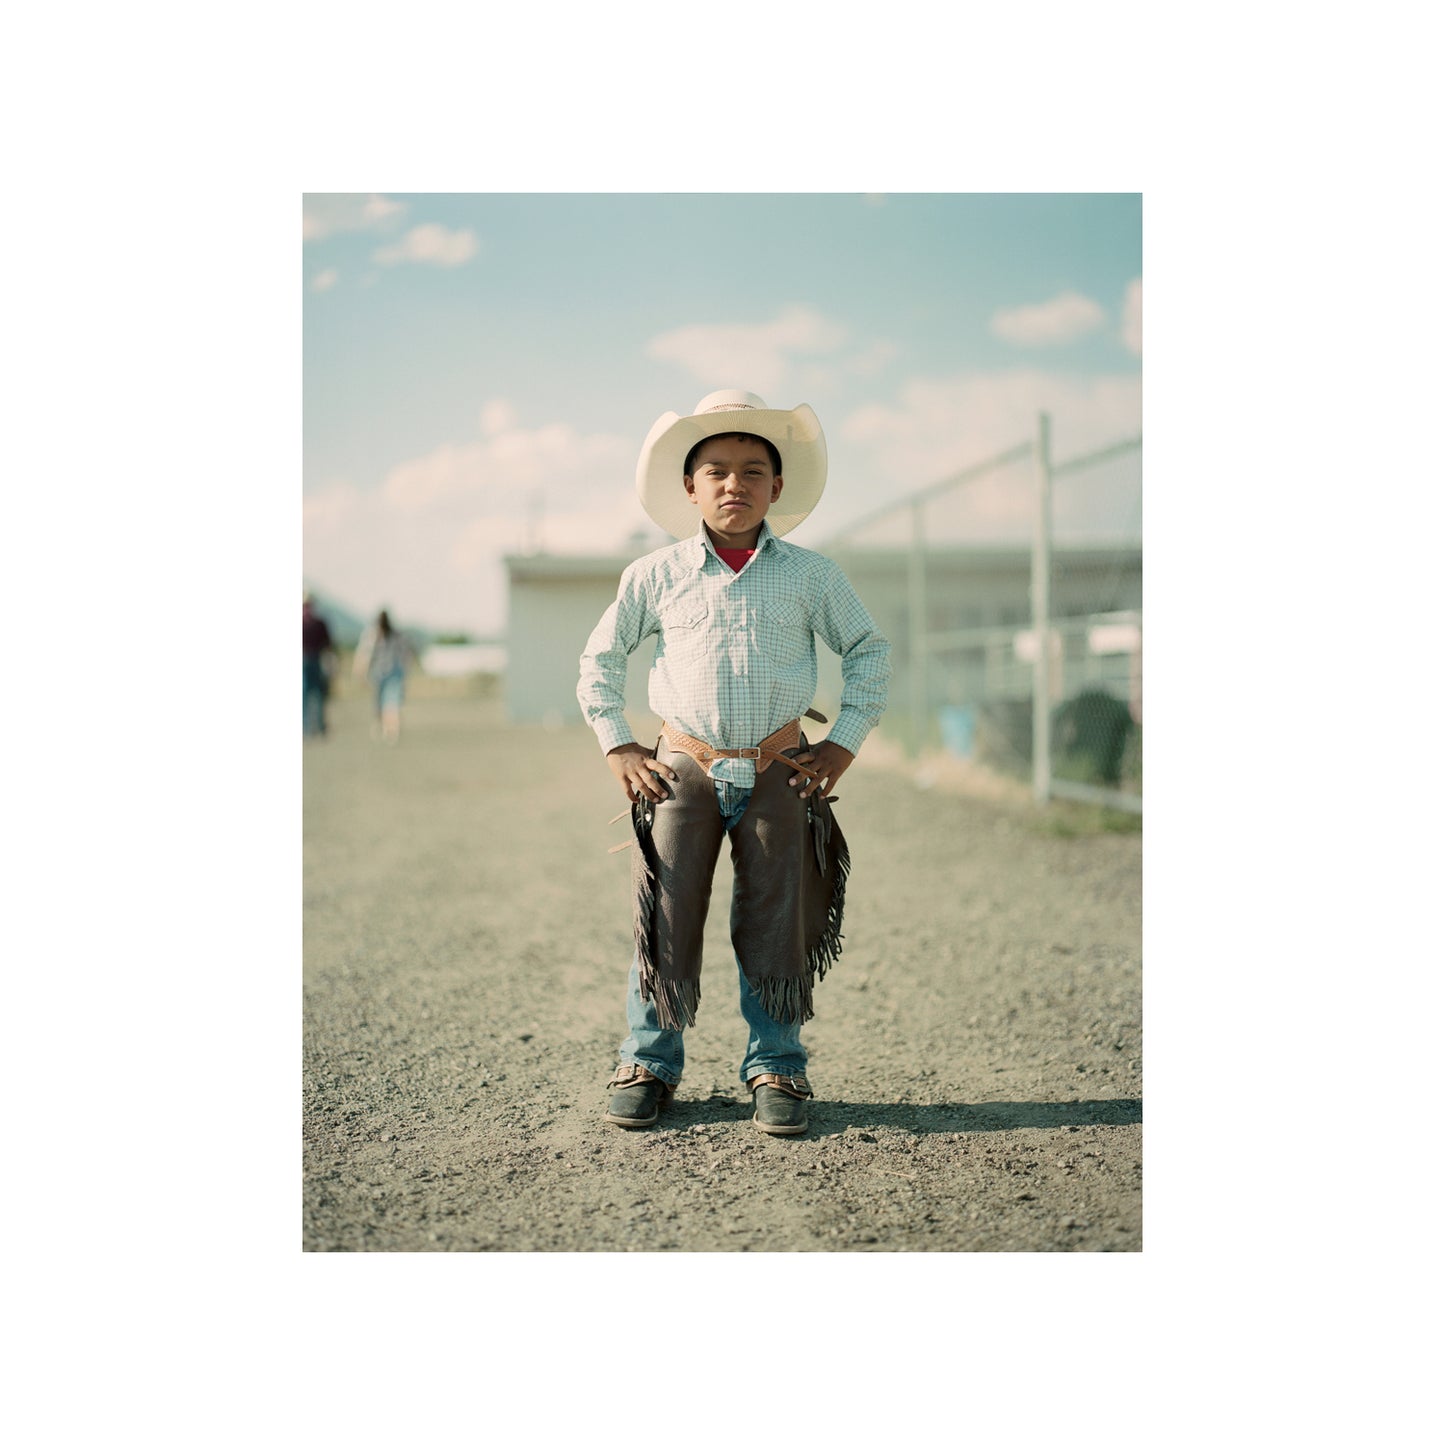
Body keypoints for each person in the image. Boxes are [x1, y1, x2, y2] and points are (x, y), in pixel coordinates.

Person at [578, 390, 891, 1135]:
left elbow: (868, 652)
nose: (733, 484)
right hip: (681, 765)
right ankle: (648, 1059)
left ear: (776, 487)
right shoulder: (653, 576)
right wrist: (620, 744)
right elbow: (599, 658)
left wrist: (842, 742)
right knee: (667, 909)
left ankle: (776, 1062)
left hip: (781, 768)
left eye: (753, 470)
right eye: (715, 469)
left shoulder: (812, 576)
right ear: (688, 486)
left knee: (778, 915)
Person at [353, 609, 415, 744]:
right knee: (391, 703)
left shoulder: (372, 635)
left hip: (381, 673)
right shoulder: (396, 635)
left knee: (385, 702)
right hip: (393, 673)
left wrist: (360, 672)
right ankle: (391, 729)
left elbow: (364, 655)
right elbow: (406, 655)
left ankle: (389, 728)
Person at [302, 591, 335, 738]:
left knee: (313, 694)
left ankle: (314, 726)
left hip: (313, 660)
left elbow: (328, 645)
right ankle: (311, 726)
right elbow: (329, 645)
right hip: (309, 660)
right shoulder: (316, 622)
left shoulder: (317, 623)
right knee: (310, 694)